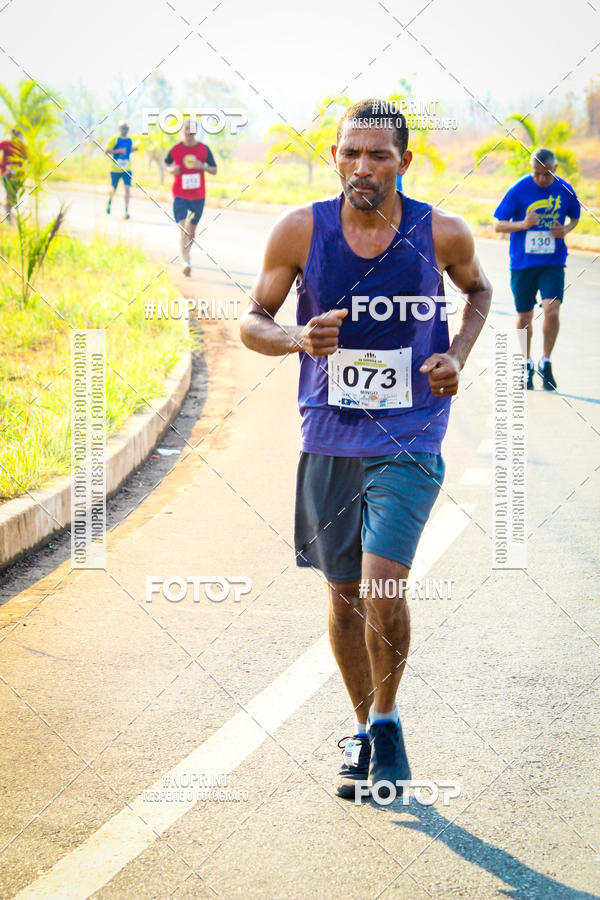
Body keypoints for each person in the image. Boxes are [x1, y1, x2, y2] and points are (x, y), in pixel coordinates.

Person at [240, 99, 492, 802]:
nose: (363, 166)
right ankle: (366, 729)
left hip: (410, 434)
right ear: (335, 158)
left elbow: (479, 290)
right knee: (345, 591)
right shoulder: (299, 230)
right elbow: (252, 321)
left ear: (405, 163)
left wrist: (456, 357)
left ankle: (386, 719)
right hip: (328, 435)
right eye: (352, 152)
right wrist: (296, 338)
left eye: (379, 154)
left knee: (382, 584)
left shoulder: (440, 231)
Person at [494, 149, 580, 391]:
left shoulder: (565, 189)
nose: (542, 179)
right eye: (537, 174)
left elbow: (575, 216)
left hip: (553, 261)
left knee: (552, 310)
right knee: (524, 316)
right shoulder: (519, 189)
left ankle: (546, 360)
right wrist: (523, 224)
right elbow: (497, 224)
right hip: (522, 263)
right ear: (531, 170)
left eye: (547, 174)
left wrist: (566, 230)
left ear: (555, 169)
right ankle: (526, 363)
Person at [164, 119, 217, 277]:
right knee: (183, 227)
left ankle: (187, 256)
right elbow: (166, 164)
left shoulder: (203, 149)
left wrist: (202, 167)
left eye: (192, 129)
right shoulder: (176, 149)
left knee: (191, 231)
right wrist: (171, 169)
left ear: (195, 132)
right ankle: (186, 261)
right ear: (182, 131)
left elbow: (214, 170)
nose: (189, 131)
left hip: (198, 196)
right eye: (186, 128)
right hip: (180, 194)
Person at [105, 121, 138, 219]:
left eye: (127, 128)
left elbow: (129, 150)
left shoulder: (130, 140)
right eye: (123, 128)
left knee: (127, 189)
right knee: (113, 189)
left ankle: (126, 211)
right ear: (119, 129)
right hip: (115, 169)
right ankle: (109, 202)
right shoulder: (114, 139)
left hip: (127, 168)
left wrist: (134, 149)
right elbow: (106, 151)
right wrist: (118, 151)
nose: (125, 130)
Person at [0, 128, 25, 223]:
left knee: (13, 196)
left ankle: (8, 212)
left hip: (18, 176)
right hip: (6, 174)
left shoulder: (22, 147)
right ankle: (8, 216)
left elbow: (29, 158)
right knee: (10, 195)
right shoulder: (6, 144)